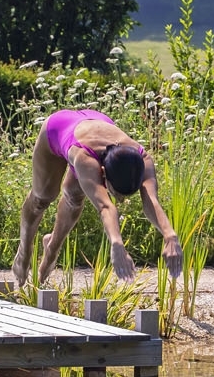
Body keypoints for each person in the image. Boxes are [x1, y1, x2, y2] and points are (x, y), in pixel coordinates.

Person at [12, 108, 183, 287]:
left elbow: (151, 200)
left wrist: (170, 236)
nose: (121, 200)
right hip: (58, 129)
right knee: (42, 198)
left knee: (75, 197)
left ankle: (52, 248)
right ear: (101, 172)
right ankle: (24, 251)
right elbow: (105, 207)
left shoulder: (143, 158)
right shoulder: (85, 158)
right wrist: (117, 244)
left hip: (98, 121)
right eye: (115, 193)